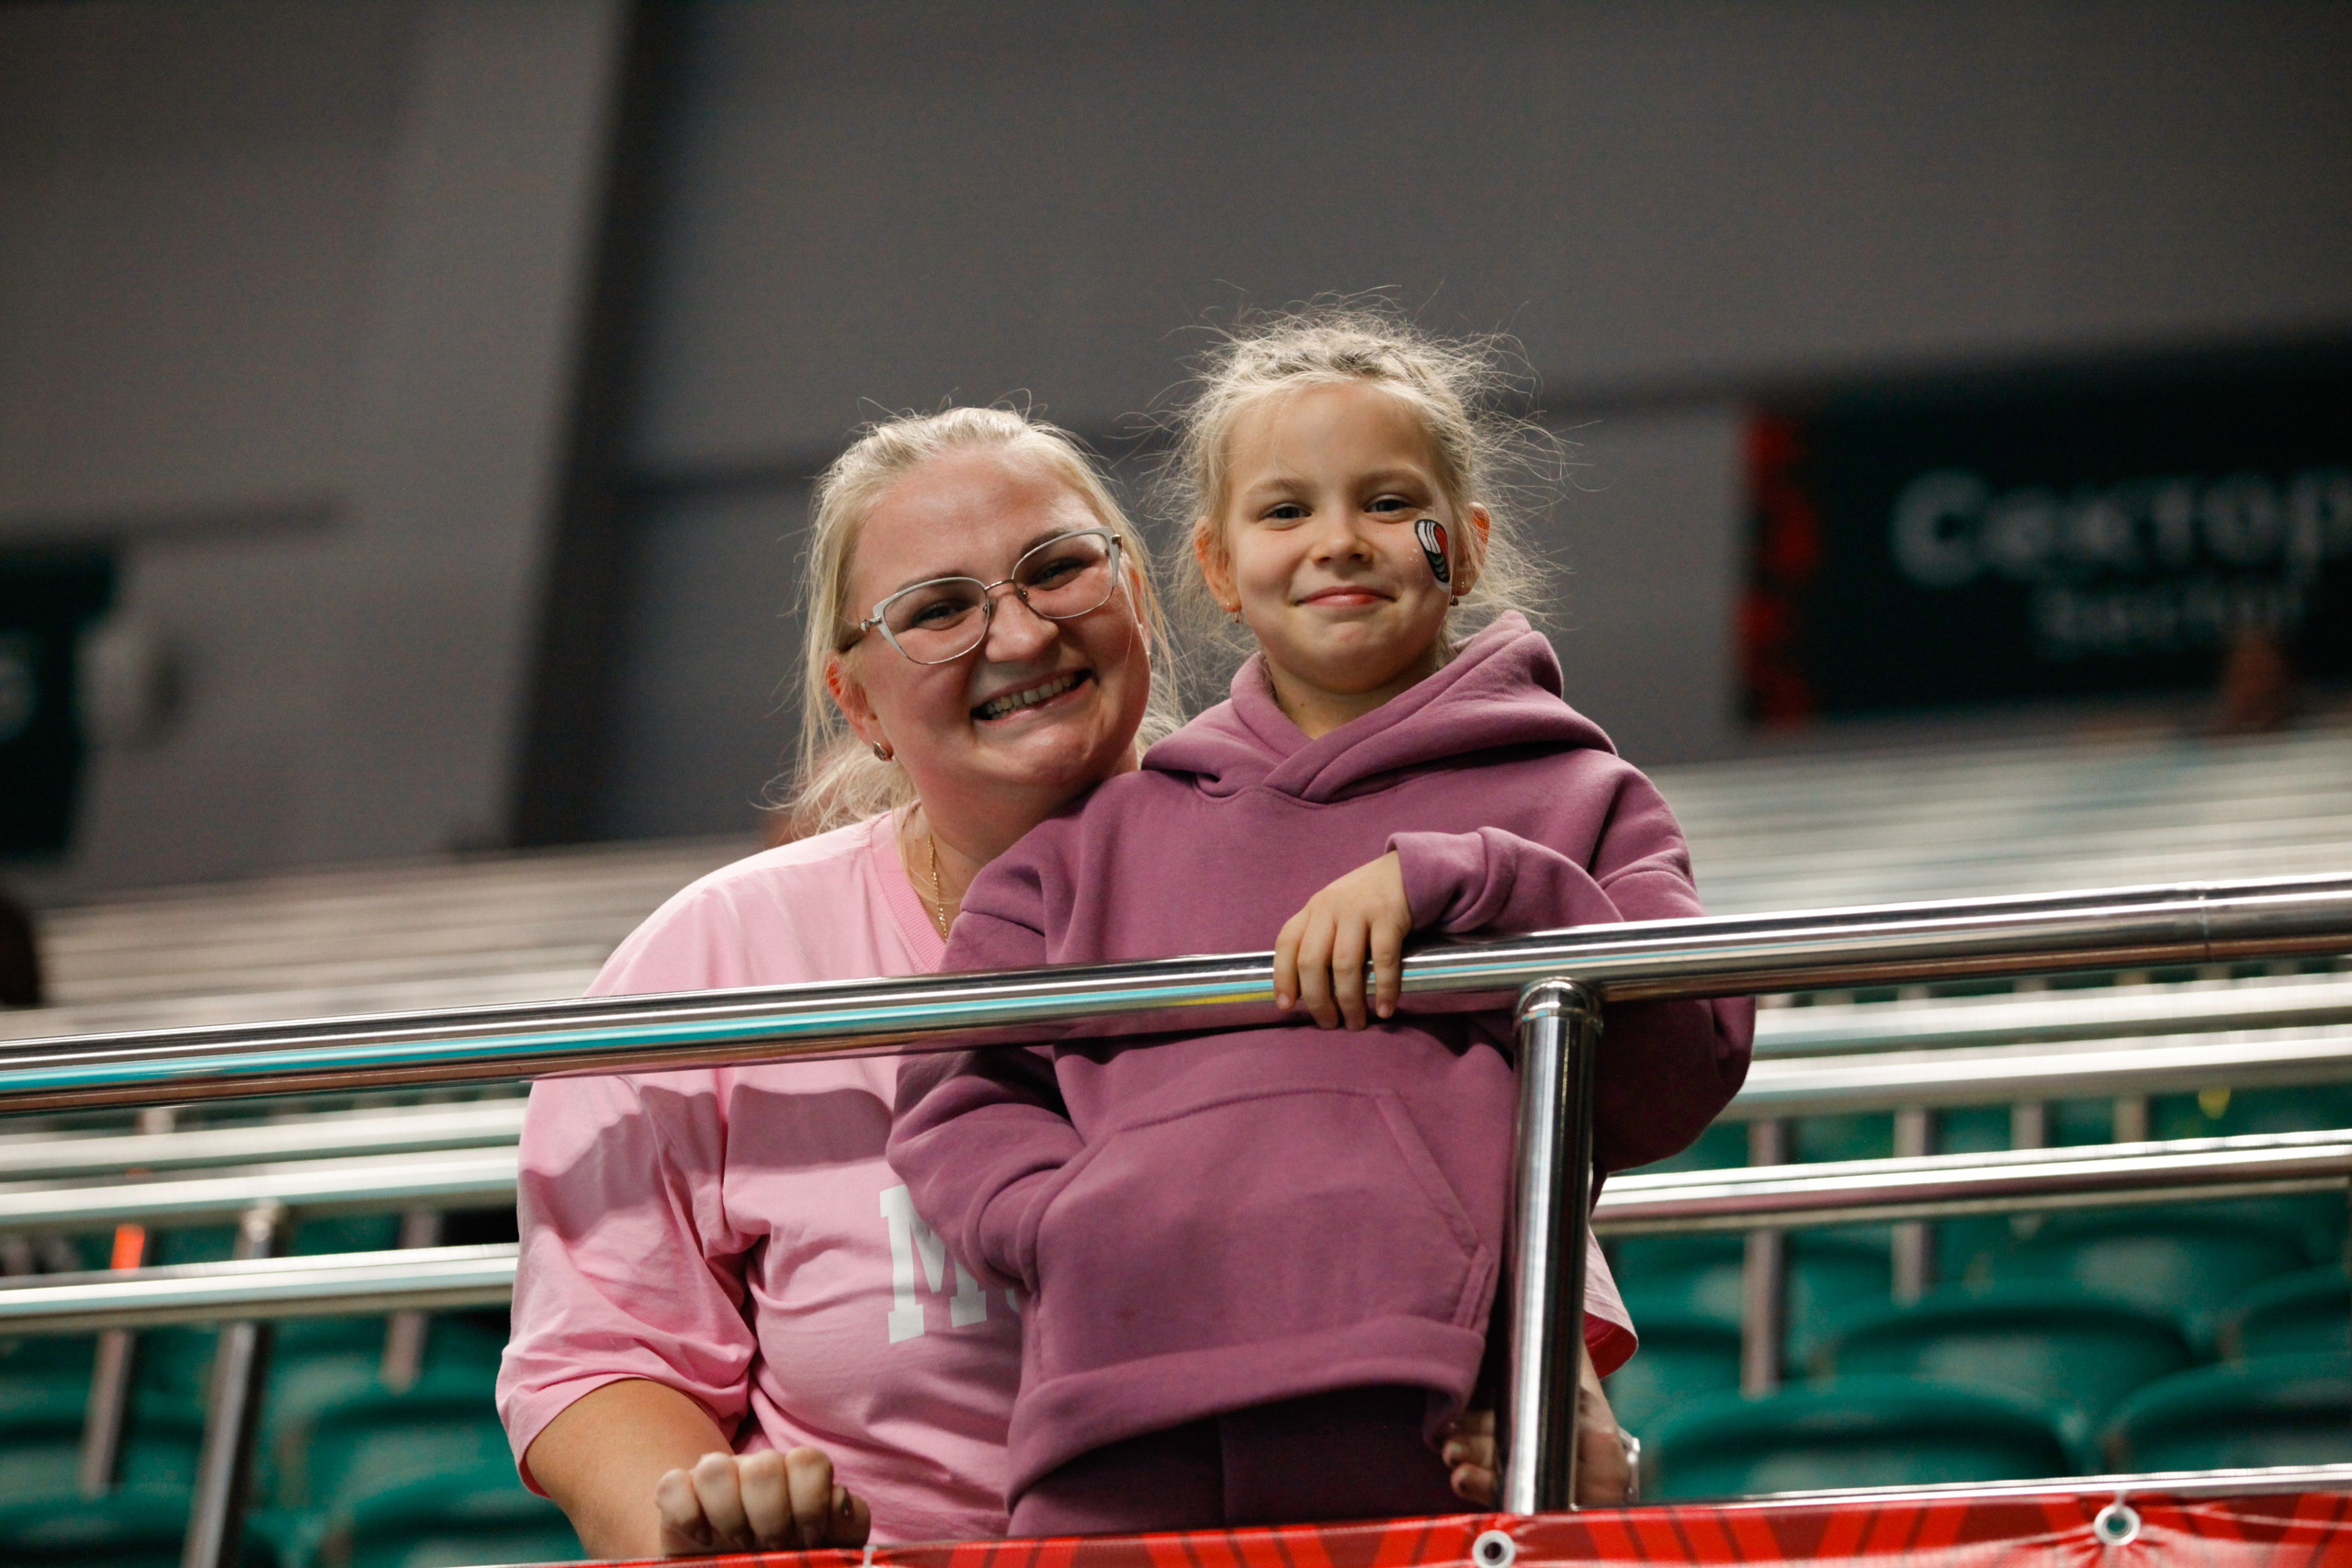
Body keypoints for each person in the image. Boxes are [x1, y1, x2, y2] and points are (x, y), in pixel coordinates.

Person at [496, 404, 1548, 1556]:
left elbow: (1518, 1256)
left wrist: (1551, 1430)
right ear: (858, 704)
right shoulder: (712, 963)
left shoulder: (1350, 876)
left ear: (1141, 598)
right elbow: (601, 1354)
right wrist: (707, 1524)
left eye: (1057, 571)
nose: (1017, 635)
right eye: (939, 611)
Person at [890, 309, 1755, 1536]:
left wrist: (1477, 884)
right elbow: (953, 1092)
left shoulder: (1580, 798)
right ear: (1216, 566)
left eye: (1389, 499)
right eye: (1286, 510)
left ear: (1464, 541)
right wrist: (1074, 1219)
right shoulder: (1089, 847)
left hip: (1432, 1419)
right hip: (1115, 1427)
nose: (1338, 541)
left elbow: (1688, 1058)